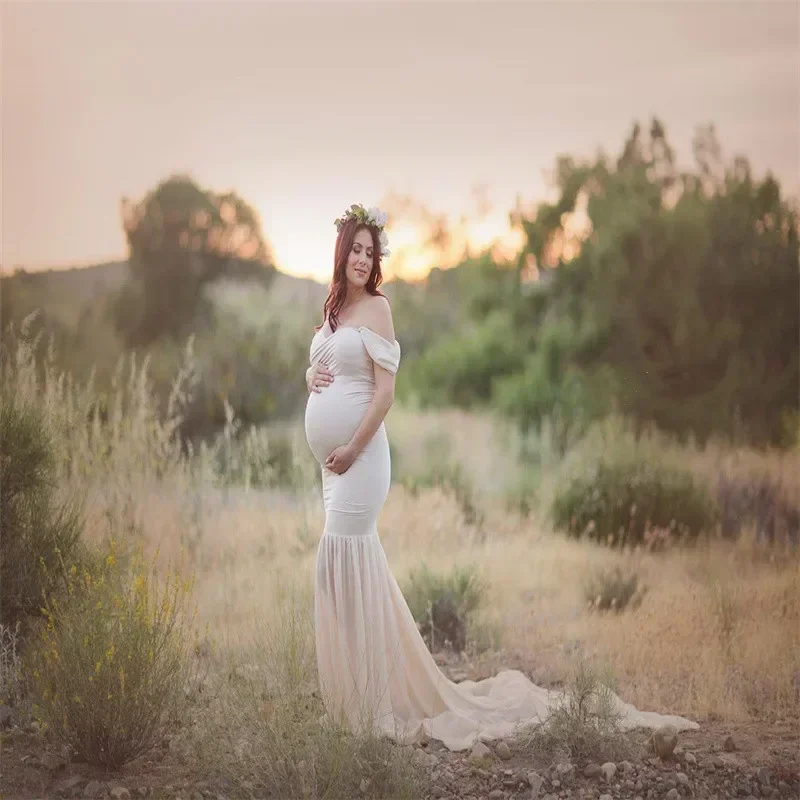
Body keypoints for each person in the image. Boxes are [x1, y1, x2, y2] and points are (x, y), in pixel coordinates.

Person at [303, 203, 699, 751]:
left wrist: (350, 447)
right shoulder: (333, 312)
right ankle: (356, 694)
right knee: (340, 568)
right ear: (342, 249)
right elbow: (320, 366)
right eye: (357, 248)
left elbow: (386, 395)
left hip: (361, 460)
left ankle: (373, 698)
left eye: (371, 252)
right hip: (333, 469)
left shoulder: (378, 309)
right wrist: (310, 372)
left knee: (347, 558)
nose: (363, 258)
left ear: (376, 261)